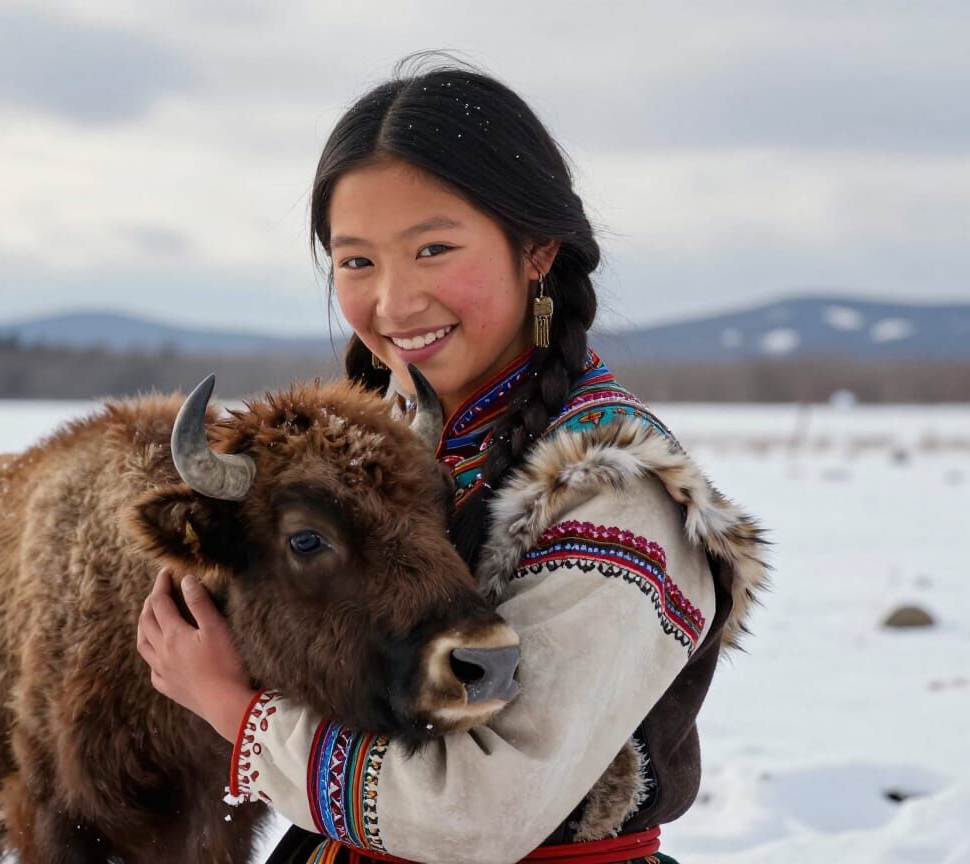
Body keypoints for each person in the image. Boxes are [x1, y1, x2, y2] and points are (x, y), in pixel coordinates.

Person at [136, 56, 770, 864]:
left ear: (537, 251)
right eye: (357, 261)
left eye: (432, 248)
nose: (394, 303)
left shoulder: (618, 497)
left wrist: (233, 711)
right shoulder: (396, 460)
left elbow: (476, 813)